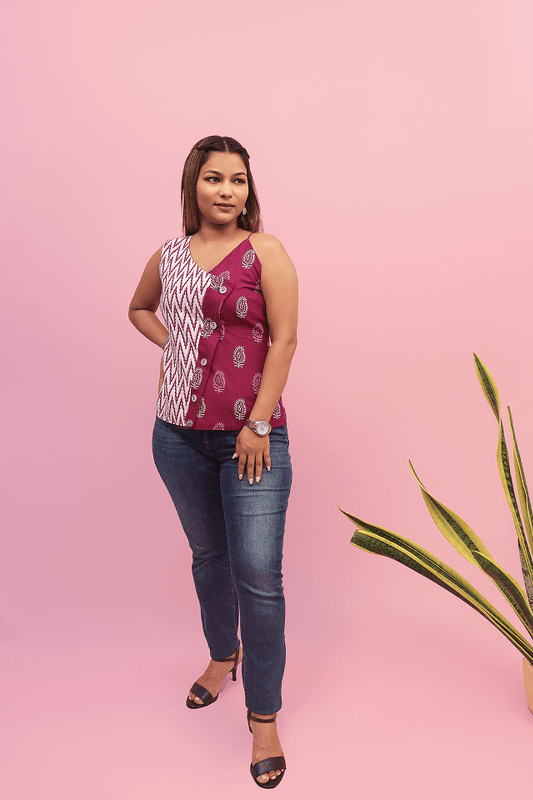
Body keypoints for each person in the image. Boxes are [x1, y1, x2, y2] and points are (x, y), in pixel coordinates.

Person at [128, 135, 298, 788]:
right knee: (209, 558)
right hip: (176, 435)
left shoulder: (267, 252)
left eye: (238, 181)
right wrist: (175, 346)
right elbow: (138, 307)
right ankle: (220, 656)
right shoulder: (169, 256)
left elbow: (284, 340)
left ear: (249, 190)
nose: (228, 191)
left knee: (258, 576)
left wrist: (257, 422)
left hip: (251, 442)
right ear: (192, 186)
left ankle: (263, 717)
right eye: (214, 179)